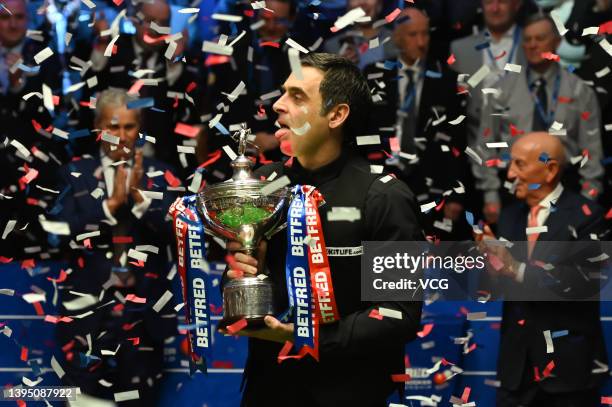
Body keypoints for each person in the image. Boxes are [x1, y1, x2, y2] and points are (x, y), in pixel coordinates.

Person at [222, 53, 423, 406]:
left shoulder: (384, 196)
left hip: (347, 393)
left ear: (336, 114)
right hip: (267, 390)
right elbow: (239, 276)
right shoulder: (265, 185)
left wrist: (304, 335)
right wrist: (244, 270)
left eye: (297, 96)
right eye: (282, 93)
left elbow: (399, 316)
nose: (278, 106)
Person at [53, 89, 177, 405]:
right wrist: (108, 207)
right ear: (98, 129)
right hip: (87, 317)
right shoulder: (74, 173)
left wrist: (138, 199)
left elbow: (177, 231)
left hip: (144, 318)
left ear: (140, 129)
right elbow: (59, 233)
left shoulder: (161, 175)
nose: (121, 136)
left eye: (129, 127)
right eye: (113, 127)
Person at [477, 132, 608, 407]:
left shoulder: (589, 216)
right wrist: (491, 265)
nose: (510, 174)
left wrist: (515, 268)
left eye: (519, 165)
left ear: (549, 170)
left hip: (568, 373)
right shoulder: (509, 217)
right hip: (516, 374)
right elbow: (493, 290)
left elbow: (580, 284)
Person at [478, 13, 604, 221]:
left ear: (557, 41)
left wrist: (588, 199)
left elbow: (592, 149)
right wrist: (490, 195)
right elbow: (485, 144)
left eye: (540, 38)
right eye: (527, 40)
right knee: (514, 253)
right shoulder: (502, 89)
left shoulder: (578, 90)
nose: (533, 45)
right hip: (514, 188)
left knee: (561, 253)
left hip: (565, 186)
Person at [364, 8, 473, 240]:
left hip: (433, 185)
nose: (421, 42)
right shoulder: (375, 75)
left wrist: (455, 195)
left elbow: (459, 140)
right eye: (413, 34)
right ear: (398, 37)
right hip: (383, 180)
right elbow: (365, 132)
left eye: (425, 34)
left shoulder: (449, 81)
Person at [450, 0, 526, 224]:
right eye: (489, 1)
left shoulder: (533, 43)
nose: (495, 8)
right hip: (475, 161)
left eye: (502, 1)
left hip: (524, 160)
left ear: (517, 5)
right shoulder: (460, 48)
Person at [323, 0, 396, 69]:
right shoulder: (333, 46)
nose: (362, 3)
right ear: (348, 6)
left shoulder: (398, 39)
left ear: (379, 4)